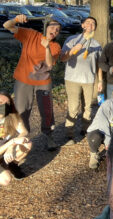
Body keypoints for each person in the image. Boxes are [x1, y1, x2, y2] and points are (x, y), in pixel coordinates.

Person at [3, 14, 61, 150]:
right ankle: (22, 136)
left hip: (43, 81)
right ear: (46, 27)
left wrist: (46, 47)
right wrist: (16, 19)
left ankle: (49, 136)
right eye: (53, 27)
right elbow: (7, 26)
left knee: (46, 110)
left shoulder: (55, 46)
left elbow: (50, 64)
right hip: (23, 79)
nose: (55, 31)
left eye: (58, 30)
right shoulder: (31, 35)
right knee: (21, 109)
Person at [60, 17, 102, 145]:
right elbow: (62, 58)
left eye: (93, 23)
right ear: (83, 25)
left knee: (88, 107)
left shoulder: (96, 44)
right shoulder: (71, 40)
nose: (90, 25)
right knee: (73, 107)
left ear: (94, 27)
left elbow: (99, 64)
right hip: (72, 79)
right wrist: (73, 50)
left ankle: (85, 130)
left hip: (89, 80)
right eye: (88, 22)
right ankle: (69, 134)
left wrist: (100, 81)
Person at [0, 91, 32, 186]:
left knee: (26, 144)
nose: (3, 107)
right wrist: (12, 142)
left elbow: (24, 131)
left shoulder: (11, 116)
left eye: (6, 104)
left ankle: (11, 165)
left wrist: (12, 147)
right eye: (0, 103)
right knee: (6, 181)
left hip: (3, 151)